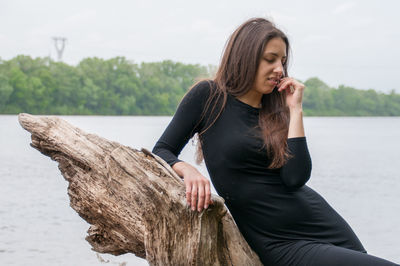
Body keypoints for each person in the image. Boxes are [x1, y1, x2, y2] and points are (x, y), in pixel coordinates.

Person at [152, 17, 398, 266]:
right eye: (270, 59)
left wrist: (295, 111)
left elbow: (296, 178)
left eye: (282, 61)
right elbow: (161, 150)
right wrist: (188, 170)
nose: (279, 69)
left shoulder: (277, 111)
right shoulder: (209, 96)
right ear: (245, 56)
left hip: (322, 226)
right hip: (278, 242)